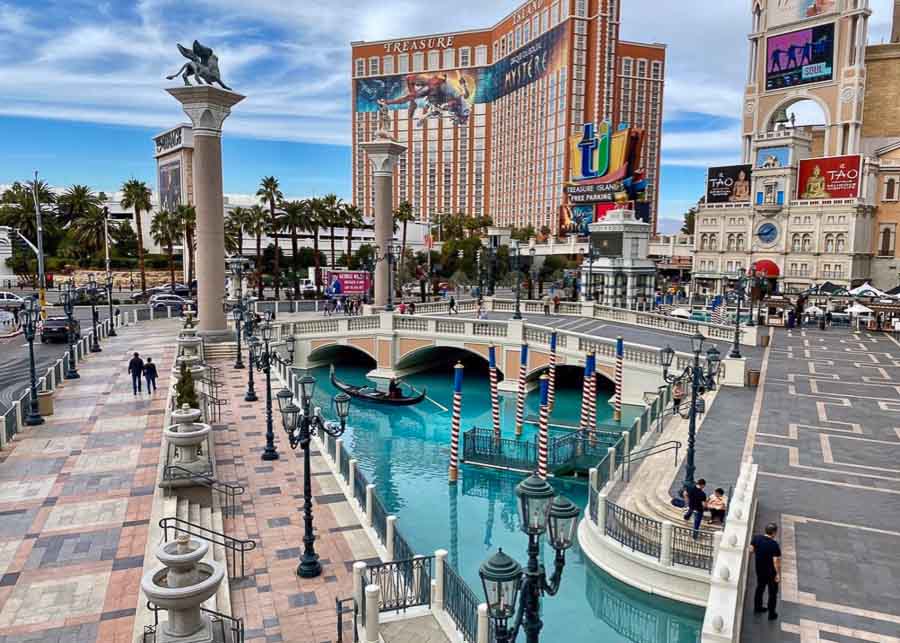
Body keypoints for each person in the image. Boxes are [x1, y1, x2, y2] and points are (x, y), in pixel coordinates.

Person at [750, 523, 782, 621]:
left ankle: (757, 607)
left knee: (760, 588)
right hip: (771, 573)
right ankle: (771, 614)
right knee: (772, 593)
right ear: (774, 533)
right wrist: (778, 574)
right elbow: (776, 561)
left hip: (759, 570)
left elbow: (751, 549)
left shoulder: (756, 538)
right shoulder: (774, 545)